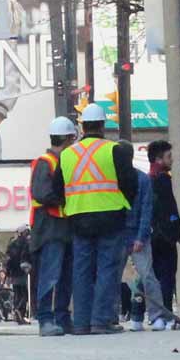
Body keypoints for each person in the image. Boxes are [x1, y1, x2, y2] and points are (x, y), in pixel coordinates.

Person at [61, 103, 138, 335]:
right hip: (111, 216)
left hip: (78, 217)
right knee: (107, 269)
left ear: (82, 126)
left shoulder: (67, 154)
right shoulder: (115, 150)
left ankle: (81, 322)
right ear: (102, 125)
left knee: (81, 270)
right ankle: (101, 321)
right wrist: (123, 203)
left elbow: (57, 188)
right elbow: (130, 183)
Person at [28, 117, 76, 334]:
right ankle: (46, 319)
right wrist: (67, 200)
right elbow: (42, 193)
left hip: (64, 226)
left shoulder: (63, 161)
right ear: (67, 139)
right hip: (50, 227)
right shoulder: (46, 162)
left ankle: (62, 318)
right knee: (50, 275)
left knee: (65, 276)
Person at [133, 140, 180, 331]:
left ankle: (137, 316)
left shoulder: (145, 179)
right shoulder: (164, 179)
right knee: (166, 277)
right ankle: (165, 316)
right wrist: (179, 232)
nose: (172, 160)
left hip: (149, 234)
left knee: (147, 276)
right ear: (158, 159)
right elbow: (170, 209)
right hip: (165, 236)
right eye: (168, 156)